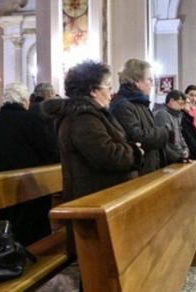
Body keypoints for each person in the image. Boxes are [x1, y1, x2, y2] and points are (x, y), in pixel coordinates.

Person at [43, 60, 143, 257]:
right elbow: (108, 155)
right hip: (92, 198)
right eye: (108, 86)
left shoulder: (91, 114)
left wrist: (127, 148)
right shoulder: (83, 117)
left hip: (100, 195)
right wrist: (135, 151)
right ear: (93, 91)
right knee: (96, 261)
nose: (111, 92)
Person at [0, 82, 59, 246]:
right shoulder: (31, 119)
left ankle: (7, 251)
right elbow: (46, 147)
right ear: (22, 100)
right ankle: (36, 252)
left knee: (9, 221)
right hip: (29, 181)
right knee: (32, 223)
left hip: (2, 179)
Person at [110, 58, 171, 175]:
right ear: (137, 81)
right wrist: (165, 132)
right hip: (138, 171)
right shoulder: (122, 105)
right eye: (149, 80)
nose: (152, 85)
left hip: (148, 167)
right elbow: (137, 137)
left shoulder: (140, 103)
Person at [154, 90, 189, 165]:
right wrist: (177, 157)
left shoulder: (176, 115)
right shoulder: (162, 114)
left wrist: (186, 150)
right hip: (170, 160)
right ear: (172, 101)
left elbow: (180, 136)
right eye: (180, 104)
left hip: (179, 156)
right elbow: (164, 142)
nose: (182, 107)